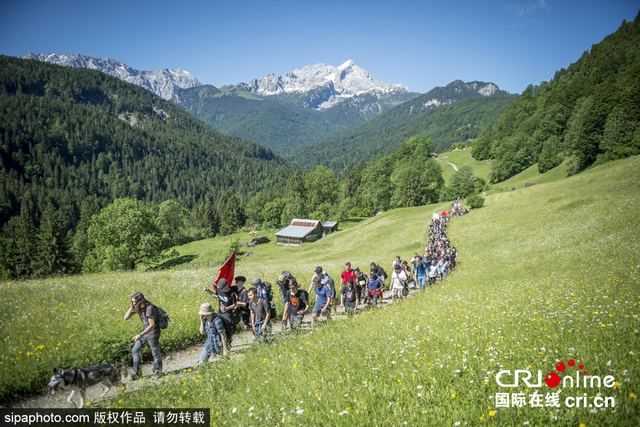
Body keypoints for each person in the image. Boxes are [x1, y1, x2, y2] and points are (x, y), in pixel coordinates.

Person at [124, 292, 162, 379]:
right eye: (132, 301)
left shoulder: (149, 308)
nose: (133, 303)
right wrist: (131, 307)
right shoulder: (139, 308)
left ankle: (157, 372)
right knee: (135, 350)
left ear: (140, 300)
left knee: (155, 354)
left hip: (153, 334)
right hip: (145, 333)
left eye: (134, 301)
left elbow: (152, 325)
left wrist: (140, 335)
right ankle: (137, 373)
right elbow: (125, 318)